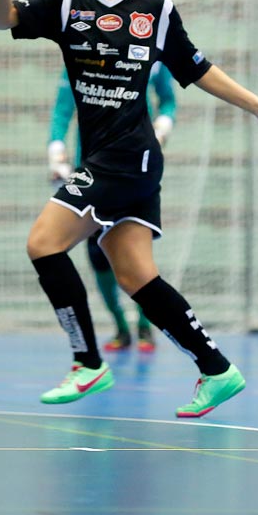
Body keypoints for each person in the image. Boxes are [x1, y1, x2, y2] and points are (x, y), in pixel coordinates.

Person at [0, 0, 258, 418]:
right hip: (113, 160)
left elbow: (197, 69)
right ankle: (217, 369)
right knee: (137, 278)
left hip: (128, 158)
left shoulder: (156, 7)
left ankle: (87, 362)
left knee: (43, 244)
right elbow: (5, 19)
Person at [47, 62, 178, 353]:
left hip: (134, 169)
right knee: (97, 256)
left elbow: (168, 99)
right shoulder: (79, 55)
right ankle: (119, 324)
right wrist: (56, 150)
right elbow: (62, 110)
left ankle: (146, 324)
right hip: (92, 169)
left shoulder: (150, 56)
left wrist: (162, 126)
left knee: (135, 256)